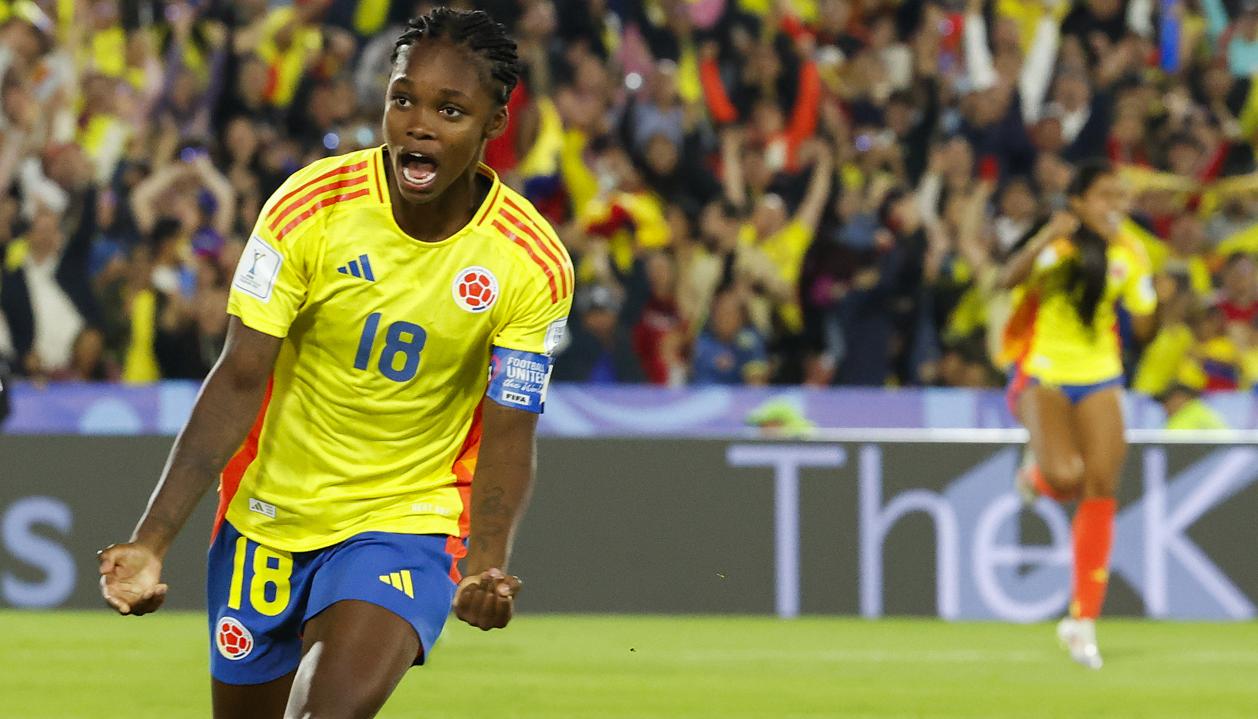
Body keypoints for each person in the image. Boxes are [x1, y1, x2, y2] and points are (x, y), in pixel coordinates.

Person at [97, 9, 573, 718]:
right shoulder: (307, 207)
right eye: (403, 97)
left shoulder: (530, 261)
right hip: (270, 516)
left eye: (449, 109)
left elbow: (509, 430)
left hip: (404, 517)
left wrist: (486, 562)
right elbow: (237, 375)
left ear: (493, 124)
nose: (418, 123)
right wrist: (151, 538)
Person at [998, 159, 1156, 669]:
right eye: (1106, 196)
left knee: (1102, 485)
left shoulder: (1130, 254)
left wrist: (1149, 291)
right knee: (1065, 478)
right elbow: (1006, 280)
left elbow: (1146, 327)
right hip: (1044, 371)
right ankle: (1034, 475)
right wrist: (1047, 237)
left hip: (1101, 373)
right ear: (1081, 202)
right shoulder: (1060, 251)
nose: (1117, 207)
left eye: (1122, 198)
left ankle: (1081, 621)